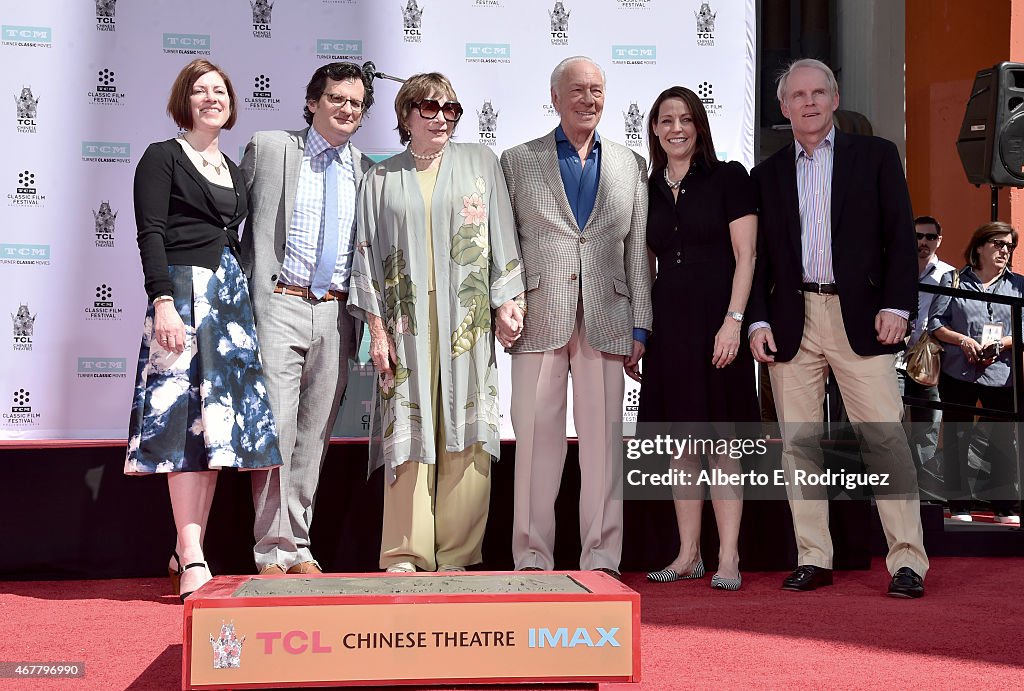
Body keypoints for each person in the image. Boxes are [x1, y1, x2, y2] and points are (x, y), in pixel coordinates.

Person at [747, 58, 929, 598]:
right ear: (783, 108)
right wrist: (756, 318)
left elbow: (901, 238)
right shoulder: (768, 173)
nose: (809, 102)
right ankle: (813, 557)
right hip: (792, 319)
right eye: (798, 95)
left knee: (885, 439)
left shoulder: (875, 157)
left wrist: (898, 305)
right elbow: (758, 261)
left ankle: (907, 562)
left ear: (834, 98)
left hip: (864, 316)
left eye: (818, 93)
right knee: (799, 444)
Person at [348, 73, 526, 573]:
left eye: (452, 109)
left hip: (466, 320)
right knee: (407, 426)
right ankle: (406, 551)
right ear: (406, 114)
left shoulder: (480, 162)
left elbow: (502, 237)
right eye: (431, 108)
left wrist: (508, 302)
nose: (443, 117)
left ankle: (458, 554)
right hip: (404, 323)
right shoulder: (379, 178)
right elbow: (364, 256)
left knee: (467, 428)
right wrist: (377, 332)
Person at [125, 59, 282, 601]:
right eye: (200, 91)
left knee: (213, 433)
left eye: (220, 90)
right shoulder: (162, 157)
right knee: (183, 432)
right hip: (182, 301)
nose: (211, 98)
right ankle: (193, 555)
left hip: (229, 305)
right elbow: (151, 234)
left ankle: (184, 548)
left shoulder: (233, 167)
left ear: (232, 103)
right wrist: (162, 301)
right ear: (183, 101)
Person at [500, 56, 652, 579]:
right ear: (555, 97)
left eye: (597, 90)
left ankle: (602, 558)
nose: (589, 99)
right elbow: (505, 243)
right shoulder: (518, 160)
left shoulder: (631, 164)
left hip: (608, 316)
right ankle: (532, 556)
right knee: (536, 446)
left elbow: (637, 250)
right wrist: (507, 300)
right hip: (538, 315)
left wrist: (642, 323)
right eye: (578, 90)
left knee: (605, 449)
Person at [240, 62, 375, 576]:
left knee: (314, 434)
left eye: (356, 103)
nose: (347, 110)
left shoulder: (365, 170)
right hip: (281, 303)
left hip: (337, 313)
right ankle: (271, 549)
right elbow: (233, 218)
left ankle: (299, 544)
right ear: (313, 101)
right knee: (277, 429)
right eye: (337, 99)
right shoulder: (272, 148)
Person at [638, 86, 758, 591]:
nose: (676, 129)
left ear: (699, 125)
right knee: (681, 444)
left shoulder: (728, 176)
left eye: (685, 119)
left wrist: (733, 320)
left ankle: (728, 556)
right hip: (670, 326)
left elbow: (746, 255)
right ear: (655, 130)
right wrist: (641, 331)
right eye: (666, 120)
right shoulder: (647, 187)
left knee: (722, 442)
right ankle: (688, 554)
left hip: (717, 321)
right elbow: (644, 262)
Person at [929, 221, 1023, 525]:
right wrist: (964, 340)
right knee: (958, 435)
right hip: (959, 370)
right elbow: (935, 323)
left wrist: (1002, 343)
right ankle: (958, 505)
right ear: (979, 246)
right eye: (998, 243)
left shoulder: (1018, 285)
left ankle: (1005, 506)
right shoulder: (953, 279)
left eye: (1009, 245)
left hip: (1001, 372)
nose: (1004, 250)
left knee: (1002, 438)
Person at [898, 216, 955, 482]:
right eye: (918, 236)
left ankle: (924, 489)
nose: (923, 242)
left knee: (927, 425)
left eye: (930, 237)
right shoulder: (895, 268)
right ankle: (890, 485)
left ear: (939, 240)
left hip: (928, 357)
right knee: (889, 422)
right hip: (894, 354)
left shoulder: (948, 273)